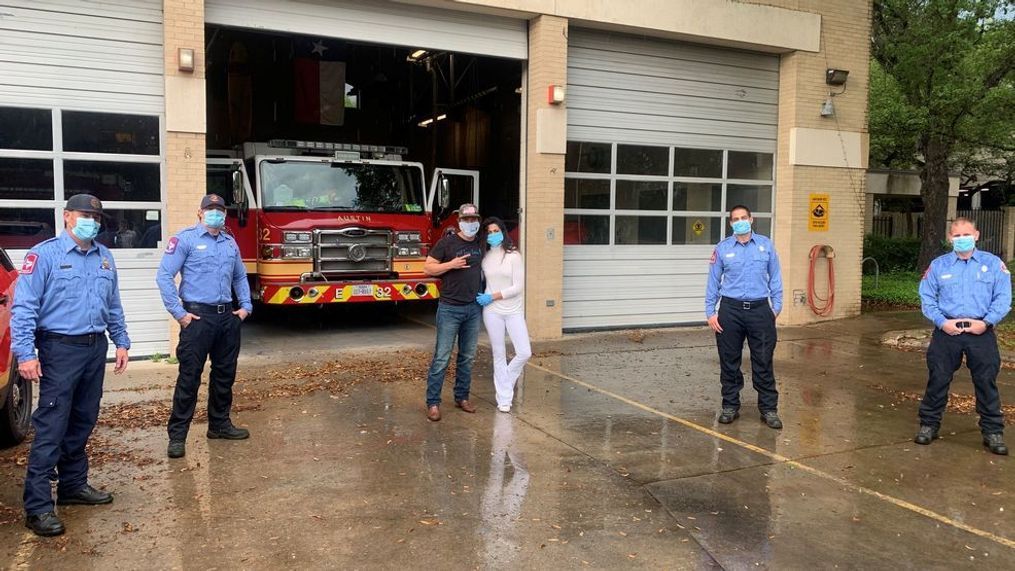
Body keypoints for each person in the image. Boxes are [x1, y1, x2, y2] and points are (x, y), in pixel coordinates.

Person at [11, 193, 130, 537]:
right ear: (66, 217)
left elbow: (113, 305)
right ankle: (37, 507)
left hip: (95, 348)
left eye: (96, 216)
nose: (91, 220)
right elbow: (24, 308)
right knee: (52, 424)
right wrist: (26, 353)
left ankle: (73, 486)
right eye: (83, 214)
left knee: (83, 419)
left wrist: (121, 340)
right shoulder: (44, 255)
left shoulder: (104, 256)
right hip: (59, 348)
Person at [156, 194, 253, 459]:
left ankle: (219, 425)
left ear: (224, 215)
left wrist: (245, 308)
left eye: (219, 210)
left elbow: (240, 276)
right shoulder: (185, 239)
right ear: (199, 213)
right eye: (210, 210)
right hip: (197, 318)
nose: (215, 214)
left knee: (224, 376)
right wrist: (179, 314)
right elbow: (164, 275)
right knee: (189, 378)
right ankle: (178, 436)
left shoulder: (230, 243)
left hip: (227, 319)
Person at [916, 217, 1009, 455]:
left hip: (981, 333)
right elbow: (927, 297)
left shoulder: (993, 264)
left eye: (966, 235)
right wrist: (942, 322)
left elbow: (1003, 298)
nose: (962, 240)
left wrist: (986, 322)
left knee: (986, 382)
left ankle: (992, 432)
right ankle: (929, 425)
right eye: (957, 236)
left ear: (976, 235)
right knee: (938, 379)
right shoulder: (939, 266)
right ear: (950, 239)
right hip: (947, 333)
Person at [704, 205, 784, 429]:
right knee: (729, 361)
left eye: (743, 218)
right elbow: (713, 282)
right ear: (730, 223)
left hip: (760, 310)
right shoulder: (722, 249)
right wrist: (711, 312)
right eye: (735, 219)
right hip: (730, 311)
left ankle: (769, 409)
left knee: (763, 360)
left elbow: (775, 278)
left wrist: (775, 308)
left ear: (751, 219)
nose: (740, 221)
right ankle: (730, 406)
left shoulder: (766, 246)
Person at [423, 203, 485, 421]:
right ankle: (433, 403)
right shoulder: (446, 243)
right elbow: (428, 267)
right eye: (467, 220)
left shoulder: (480, 243)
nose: (471, 223)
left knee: (467, 357)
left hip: (473, 308)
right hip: (450, 308)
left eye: (474, 219)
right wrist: (451, 264)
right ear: (459, 221)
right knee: (441, 357)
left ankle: (462, 397)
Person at [477, 217, 531, 413]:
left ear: (503, 232)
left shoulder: (513, 255)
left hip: (513, 309)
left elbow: (518, 287)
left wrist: (493, 296)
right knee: (498, 354)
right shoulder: (484, 257)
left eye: (496, 231)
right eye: (489, 232)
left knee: (524, 352)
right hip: (492, 312)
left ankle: (505, 383)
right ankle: (504, 400)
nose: (493, 235)